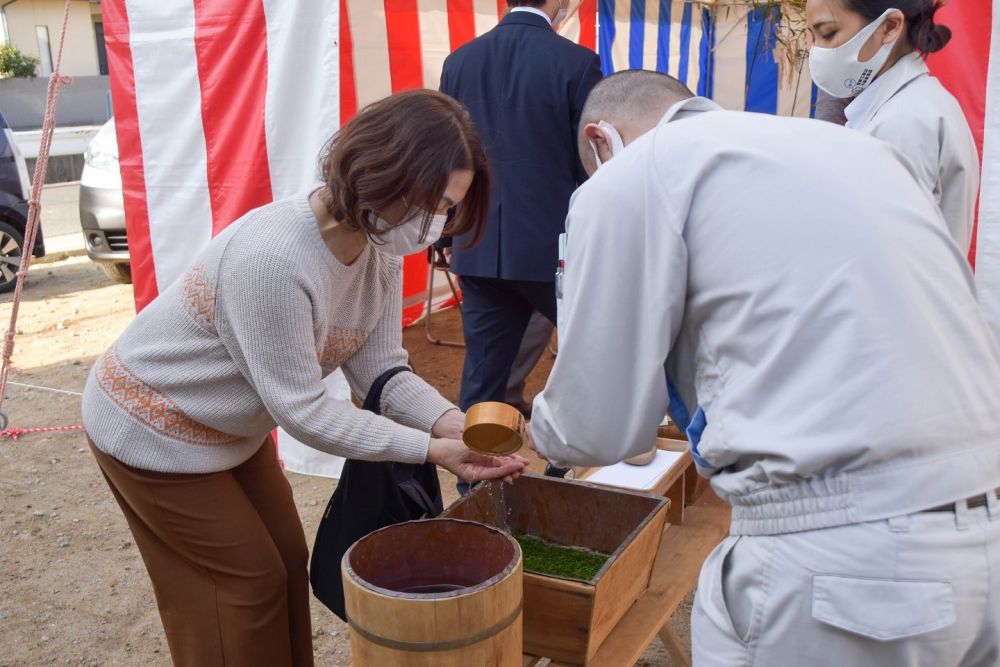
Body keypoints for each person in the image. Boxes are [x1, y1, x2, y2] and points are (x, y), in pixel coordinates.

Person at [530, 70, 1000, 665]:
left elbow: (597, 427)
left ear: (602, 141)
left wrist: (538, 431)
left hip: (845, 560)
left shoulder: (632, 174)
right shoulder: (855, 149)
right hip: (982, 518)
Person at [81, 90, 528, 667]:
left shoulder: (380, 246)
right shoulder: (273, 259)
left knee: (288, 561)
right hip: (149, 422)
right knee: (241, 586)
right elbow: (304, 413)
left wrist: (455, 424)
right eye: (434, 203)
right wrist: (431, 449)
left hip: (228, 427)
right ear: (382, 170)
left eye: (449, 209)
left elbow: (381, 369)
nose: (436, 225)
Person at [438, 0, 602, 415]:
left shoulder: (459, 61)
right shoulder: (578, 62)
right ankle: (567, 467)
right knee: (588, 357)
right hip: (553, 245)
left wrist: (443, 232)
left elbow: (442, 155)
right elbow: (590, 160)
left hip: (475, 240)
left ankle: (475, 480)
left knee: (483, 374)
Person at [806, 0, 979, 252]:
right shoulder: (917, 104)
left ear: (889, 27)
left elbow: (882, 257)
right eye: (811, 37)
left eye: (828, 33)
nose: (817, 51)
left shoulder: (902, 124)